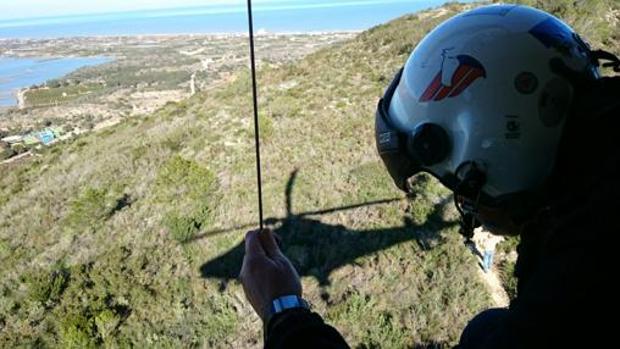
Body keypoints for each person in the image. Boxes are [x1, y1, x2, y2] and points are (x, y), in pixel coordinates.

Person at [239, 4, 619, 348]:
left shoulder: (575, 291)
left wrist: (284, 312)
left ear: (491, 146)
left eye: (462, 191)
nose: (465, 204)